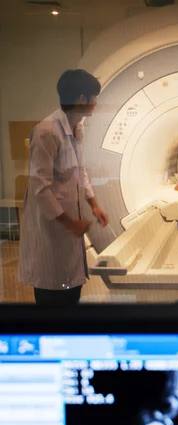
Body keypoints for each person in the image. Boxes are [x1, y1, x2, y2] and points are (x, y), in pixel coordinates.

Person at [18, 69, 109, 305]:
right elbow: (40, 188)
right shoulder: (47, 132)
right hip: (52, 230)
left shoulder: (78, 129)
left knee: (71, 290)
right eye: (94, 98)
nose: (95, 104)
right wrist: (70, 223)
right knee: (52, 295)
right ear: (82, 99)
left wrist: (94, 204)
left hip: (70, 230)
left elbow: (80, 171)